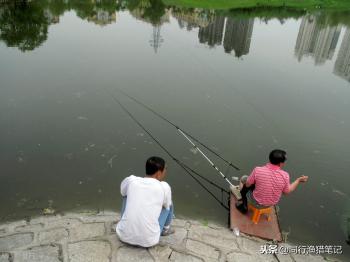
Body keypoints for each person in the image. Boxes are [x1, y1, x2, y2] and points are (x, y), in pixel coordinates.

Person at [116, 156, 174, 247]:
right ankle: (165, 229)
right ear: (159, 173)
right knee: (169, 204)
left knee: (126, 195)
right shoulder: (164, 187)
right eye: (165, 169)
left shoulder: (132, 180)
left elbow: (122, 192)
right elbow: (166, 206)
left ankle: (127, 225)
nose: (166, 171)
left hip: (123, 235)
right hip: (149, 241)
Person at [236, 149, 308, 213]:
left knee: (244, 178)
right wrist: (298, 180)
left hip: (255, 202)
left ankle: (244, 203)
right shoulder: (285, 175)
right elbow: (287, 192)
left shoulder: (258, 170)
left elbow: (248, 184)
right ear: (281, 163)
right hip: (270, 204)